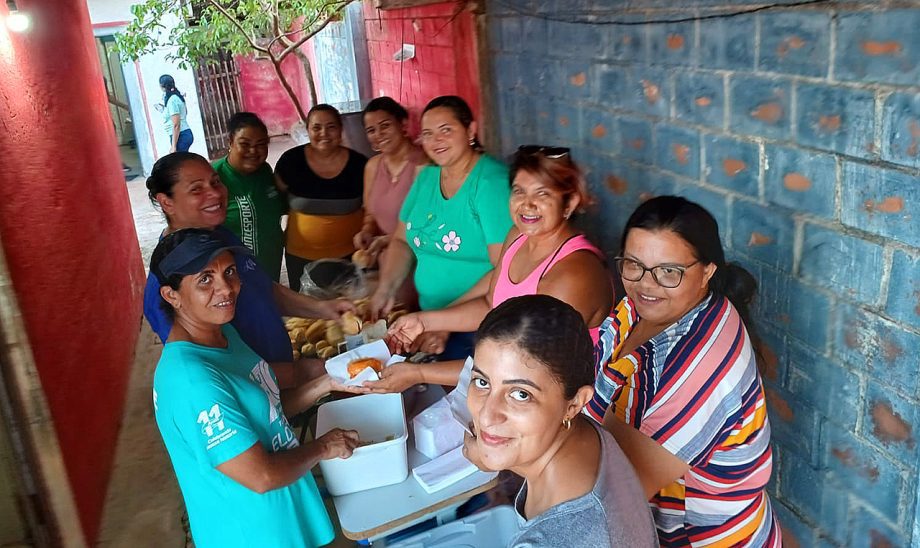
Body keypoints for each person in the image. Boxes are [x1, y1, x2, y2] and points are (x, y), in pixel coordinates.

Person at [150, 228, 360, 547]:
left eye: (229, 271)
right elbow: (260, 476)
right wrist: (324, 447)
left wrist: (326, 383)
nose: (226, 288)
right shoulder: (194, 381)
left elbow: (263, 415)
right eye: (205, 279)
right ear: (171, 295)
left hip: (279, 519)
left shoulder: (223, 335)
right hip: (252, 532)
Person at [594, 196, 781, 546]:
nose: (646, 284)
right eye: (633, 264)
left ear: (707, 271)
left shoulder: (701, 366)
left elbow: (615, 492)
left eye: (669, 272)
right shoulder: (642, 307)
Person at [374, 145, 612, 392]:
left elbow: (523, 367)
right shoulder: (517, 236)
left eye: (542, 194)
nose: (527, 205)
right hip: (513, 387)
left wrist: (419, 373)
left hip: (560, 405)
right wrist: (423, 322)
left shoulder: (574, 273)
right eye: (519, 191)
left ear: (569, 203)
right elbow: (491, 304)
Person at [461, 295, 658, 547]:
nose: (487, 415)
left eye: (521, 394)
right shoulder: (584, 434)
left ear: (574, 403)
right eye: (482, 382)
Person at [143, 152, 352, 388]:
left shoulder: (220, 236)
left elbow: (261, 287)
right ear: (166, 202)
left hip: (283, 372)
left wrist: (324, 309)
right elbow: (212, 371)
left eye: (215, 182)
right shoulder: (167, 286)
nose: (215, 193)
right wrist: (298, 374)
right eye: (196, 189)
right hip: (255, 397)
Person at [369, 95, 513, 360]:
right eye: (427, 133)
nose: (435, 141)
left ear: (470, 130)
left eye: (446, 130)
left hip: (480, 328)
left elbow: (504, 270)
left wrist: (441, 321)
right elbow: (401, 241)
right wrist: (386, 288)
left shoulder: (491, 184)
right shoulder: (426, 178)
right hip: (432, 321)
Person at [275, 104, 368, 291]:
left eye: (331, 127)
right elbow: (277, 200)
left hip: (349, 258)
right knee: (305, 316)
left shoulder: (360, 165)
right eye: (316, 127)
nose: (324, 133)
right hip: (300, 257)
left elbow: (371, 209)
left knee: (350, 314)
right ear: (307, 130)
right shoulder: (291, 161)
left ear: (341, 129)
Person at [353, 97, 427, 270]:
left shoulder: (424, 165)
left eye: (385, 125)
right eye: (371, 130)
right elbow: (370, 214)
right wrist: (367, 232)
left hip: (421, 261)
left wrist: (387, 240)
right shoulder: (372, 167)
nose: (378, 134)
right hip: (388, 262)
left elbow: (428, 224)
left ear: (403, 124)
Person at [214, 112, 285, 281]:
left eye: (261, 144)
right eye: (245, 144)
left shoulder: (265, 171)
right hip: (234, 277)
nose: (253, 151)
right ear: (230, 142)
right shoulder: (214, 177)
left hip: (270, 268)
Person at [159, 74, 193, 153]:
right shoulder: (177, 96)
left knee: (179, 163)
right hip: (183, 133)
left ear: (161, 86)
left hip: (180, 135)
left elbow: (176, 124)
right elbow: (184, 113)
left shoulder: (172, 100)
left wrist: (173, 146)